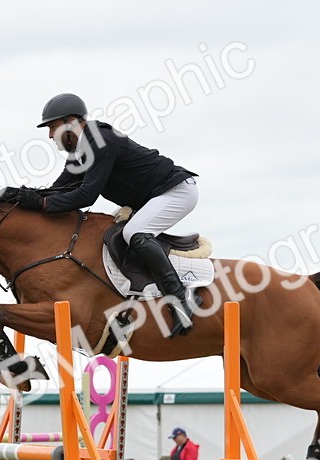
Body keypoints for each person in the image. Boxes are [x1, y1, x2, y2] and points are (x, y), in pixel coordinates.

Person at [17, 92, 200, 337]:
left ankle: (181, 299)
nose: (50, 135)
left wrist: (43, 204)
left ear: (71, 121)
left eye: (53, 127)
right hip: (152, 197)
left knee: (135, 232)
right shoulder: (81, 151)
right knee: (117, 232)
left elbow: (85, 196)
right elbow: (60, 188)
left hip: (176, 191)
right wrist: (27, 198)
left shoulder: (101, 142)